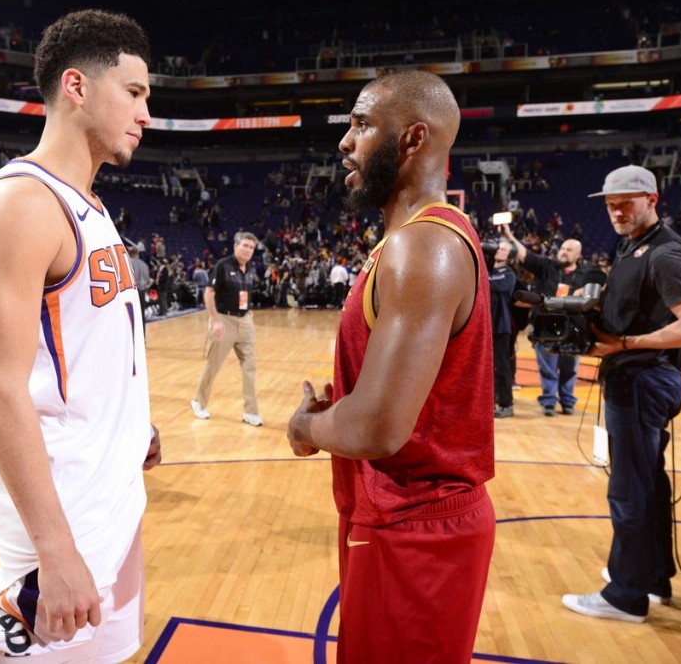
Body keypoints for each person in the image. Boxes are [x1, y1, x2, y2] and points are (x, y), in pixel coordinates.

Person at [0, 9, 161, 663]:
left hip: (111, 494)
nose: (146, 113)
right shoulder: (20, 202)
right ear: (76, 86)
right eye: (134, 92)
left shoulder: (90, 204)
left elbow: (88, 344)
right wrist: (54, 550)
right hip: (61, 518)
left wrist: (133, 424)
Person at [286, 71, 495, 663]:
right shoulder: (414, 240)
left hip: (416, 525)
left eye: (361, 124)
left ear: (413, 138)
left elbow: (377, 428)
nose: (344, 142)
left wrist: (305, 428)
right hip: (400, 518)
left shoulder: (421, 246)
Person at [562, 165, 681, 623]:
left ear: (652, 199)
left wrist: (625, 344)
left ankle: (625, 596)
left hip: (643, 381)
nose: (616, 211)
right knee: (648, 482)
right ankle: (651, 578)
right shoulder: (635, 245)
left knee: (628, 488)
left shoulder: (666, 253)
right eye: (610, 205)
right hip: (641, 379)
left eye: (625, 202)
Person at [502, 224, 603, 415]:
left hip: (572, 327)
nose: (563, 252)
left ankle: (567, 400)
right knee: (547, 367)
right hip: (546, 325)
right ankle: (549, 400)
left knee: (570, 368)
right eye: (563, 248)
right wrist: (509, 235)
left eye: (569, 250)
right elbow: (524, 255)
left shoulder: (585, 275)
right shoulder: (547, 266)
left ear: (578, 254)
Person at [190, 232, 263, 427]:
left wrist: (247, 311)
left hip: (245, 322)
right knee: (213, 365)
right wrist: (215, 321)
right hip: (223, 320)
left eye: (251, 247)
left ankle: (250, 412)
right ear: (235, 246)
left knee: (250, 367)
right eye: (245, 245)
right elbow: (209, 293)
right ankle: (199, 402)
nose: (248, 250)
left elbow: (244, 292)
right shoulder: (223, 265)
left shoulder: (250, 268)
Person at [490, 241, 517, 417]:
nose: (499, 250)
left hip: (501, 326)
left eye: (504, 249)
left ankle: (507, 404)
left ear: (510, 256)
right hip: (487, 326)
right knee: (486, 367)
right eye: (499, 248)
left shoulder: (508, 274)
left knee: (502, 366)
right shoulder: (489, 272)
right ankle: (489, 401)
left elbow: (492, 284)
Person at [127, 244, 151, 336]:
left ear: (129, 253)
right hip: (142, 291)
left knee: (129, 316)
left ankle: (132, 338)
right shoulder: (144, 264)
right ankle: (142, 337)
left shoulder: (128, 263)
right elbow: (148, 280)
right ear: (137, 253)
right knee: (141, 315)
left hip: (132, 292)